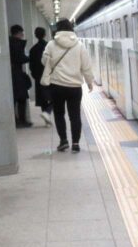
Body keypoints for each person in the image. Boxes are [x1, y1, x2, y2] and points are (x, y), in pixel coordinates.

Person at [41, 19, 95, 152]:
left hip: (57, 86)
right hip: (75, 87)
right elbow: (86, 66)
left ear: (57, 29)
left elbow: (44, 61)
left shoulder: (51, 44)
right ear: (71, 29)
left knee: (59, 114)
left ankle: (63, 141)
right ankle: (76, 143)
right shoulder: (79, 45)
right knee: (75, 115)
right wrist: (89, 82)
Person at [28, 26, 52, 126]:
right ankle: (47, 112)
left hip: (39, 77)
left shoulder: (33, 49)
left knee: (42, 98)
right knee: (54, 96)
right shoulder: (49, 47)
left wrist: (35, 75)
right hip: (50, 75)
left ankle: (46, 120)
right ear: (45, 34)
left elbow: (31, 66)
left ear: (35, 35)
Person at [9, 24, 32, 127]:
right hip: (17, 75)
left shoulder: (9, 42)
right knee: (21, 98)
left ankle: (16, 120)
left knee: (14, 99)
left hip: (13, 74)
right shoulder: (16, 44)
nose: (23, 35)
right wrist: (30, 58)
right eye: (22, 33)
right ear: (18, 33)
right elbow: (20, 58)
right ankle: (21, 121)